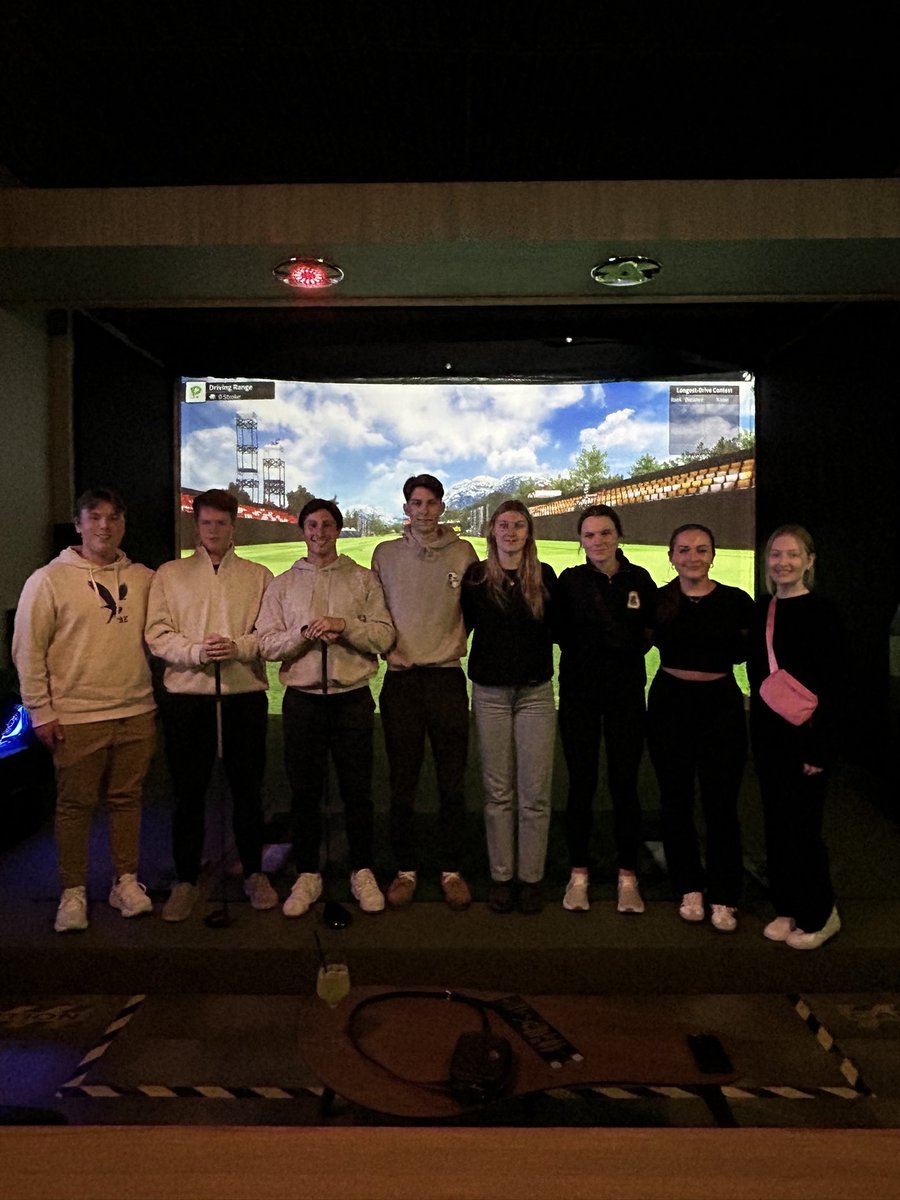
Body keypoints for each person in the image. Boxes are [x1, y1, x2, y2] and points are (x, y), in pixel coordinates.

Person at [12, 487, 157, 932]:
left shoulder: (146, 577)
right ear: (78, 524)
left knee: (126, 801)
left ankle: (125, 881)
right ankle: (73, 892)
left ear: (123, 524)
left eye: (113, 518)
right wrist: (41, 711)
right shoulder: (48, 580)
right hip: (76, 716)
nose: (104, 526)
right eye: (94, 518)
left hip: (136, 709)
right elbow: (27, 650)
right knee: (75, 806)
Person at [256, 499, 394, 917]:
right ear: (303, 530)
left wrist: (344, 626)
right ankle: (308, 873)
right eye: (312, 525)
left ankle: (361, 869)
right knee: (305, 793)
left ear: (338, 529)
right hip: (303, 701)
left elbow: (384, 637)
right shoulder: (282, 584)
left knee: (357, 793)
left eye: (328, 525)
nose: (320, 532)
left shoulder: (362, 579)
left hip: (350, 698)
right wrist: (303, 635)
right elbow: (265, 643)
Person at [145, 488, 277, 921]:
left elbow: (269, 634)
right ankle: (186, 880)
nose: (214, 530)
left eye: (222, 523)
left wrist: (237, 647)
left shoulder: (258, 575)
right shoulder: (170, 573)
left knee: (246, 792)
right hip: (188, 699)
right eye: (206, 523)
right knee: (188, 794)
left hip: (243, 696)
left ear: (233, 526)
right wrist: (197, 652)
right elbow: (158, 634)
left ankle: (254, 873)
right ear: (196, 526)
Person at [371, 474, 478, 910]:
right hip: (402, 682)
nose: (425, 510)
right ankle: (406, 870)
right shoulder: (385, 554)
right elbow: (374, 615)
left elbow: (473, 611)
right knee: (404, 783)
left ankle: (452, 870)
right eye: (417, 502)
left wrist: (449, 642)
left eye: (432, 502)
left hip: (447, 678)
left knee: (452, 784)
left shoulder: (464, 553)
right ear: (406, 508)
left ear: (441, 506)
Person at [647, 523, 754, 932]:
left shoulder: (736, 601)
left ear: (713, 555)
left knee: (721, 804)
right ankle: (688, 885)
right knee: (675, 800)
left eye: (701, 549)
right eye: (684, 549)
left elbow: (748, 654)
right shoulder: (659, 602)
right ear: (671, 556)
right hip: (670, 703)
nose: (693, 556)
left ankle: (725, 894)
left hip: (720, 706)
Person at [555, 504, 656, 915]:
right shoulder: (570, 580)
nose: (598, 541)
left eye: (605, 533)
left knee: (624, 786)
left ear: (618, 535)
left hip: (626, 698)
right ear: (581, 540)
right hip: (579, 698)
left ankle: (627, 876)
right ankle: (579, 873)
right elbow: (560, 632)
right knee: (580, 784)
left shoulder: (639, 579)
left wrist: (615, 647)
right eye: (590, 535)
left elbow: (648, 632)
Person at [748, 524, 843, 950]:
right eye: (775, 555)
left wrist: (819, 746)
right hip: (771, 740)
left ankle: (821, 915)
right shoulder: (764, 609)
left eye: (791, 555)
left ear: (809, 561)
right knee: (777, 825)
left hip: (808, 739)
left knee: (804, 830)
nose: (782, 563)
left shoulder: (825, 613)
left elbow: (840, 688)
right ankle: (789, 906)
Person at [461, 501, 557, 915]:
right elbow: (462, 626)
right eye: (504, 525)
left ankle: (531, 879)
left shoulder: (545, 576)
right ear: (492, 531)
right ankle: (502, 877)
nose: (511, 532)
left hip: (535, 694)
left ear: (528, 532)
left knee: (534, 794)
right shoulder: (477, 578)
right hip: (490, 695)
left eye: (519, 525)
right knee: (498, 792)